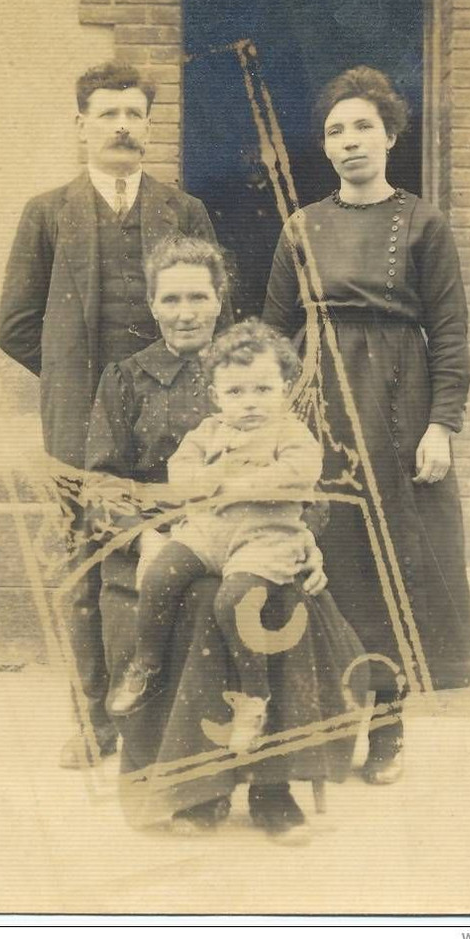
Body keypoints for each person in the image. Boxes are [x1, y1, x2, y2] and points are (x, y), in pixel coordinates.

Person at [85, 236, 368, 842]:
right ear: (153, 305)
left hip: (259, 545)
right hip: (164, 547)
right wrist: (149, 541)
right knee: (186, 598)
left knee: (270, 601)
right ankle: (194, 788)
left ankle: (272, 789)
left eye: (199, 296)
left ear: (220, 302)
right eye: (171, 298)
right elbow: (100, 490)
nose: (186, 311)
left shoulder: (261, 371)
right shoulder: (124, 380)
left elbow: (307, 478)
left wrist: (307, 541)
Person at [0, 61, 229, 770]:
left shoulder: (183, 210)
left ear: (149, 125)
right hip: (76, 429)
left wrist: (155, 394)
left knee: (179, 559)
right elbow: (13, 324)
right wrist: (85, 391)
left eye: (134, 113)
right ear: (82, 125)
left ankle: (169, 718)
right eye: (107, 114)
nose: (123, 126)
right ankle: (92, 719)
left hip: (173, 424)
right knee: (86, 569)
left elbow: (209, 309)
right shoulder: (46, 212)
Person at [263, 65, 470, 784]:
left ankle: (386, 729)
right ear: (323, 147)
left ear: (390, 135)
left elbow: (450, 334)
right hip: (319, 410)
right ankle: (322, 733)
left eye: (363, 126)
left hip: (397, 410)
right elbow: (272, 332)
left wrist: (441, 426)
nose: (349, 140)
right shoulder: (301, 227)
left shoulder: (423, 223)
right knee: (328, 567)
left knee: (395, 570)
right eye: (335, 130)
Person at [109, 318, 324, 758]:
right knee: (161, 573)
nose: (250, 403)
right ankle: (146, 662)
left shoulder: (291, 433)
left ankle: (254, 697)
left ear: (286, 387)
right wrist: (213, 477)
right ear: (216, 396)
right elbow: (182, 476)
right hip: (210, 531)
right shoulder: (207, 433)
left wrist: (231, 484)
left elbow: (298, 474)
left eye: (263, 390)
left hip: (266, 537)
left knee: (234, 602)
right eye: (236, 392)